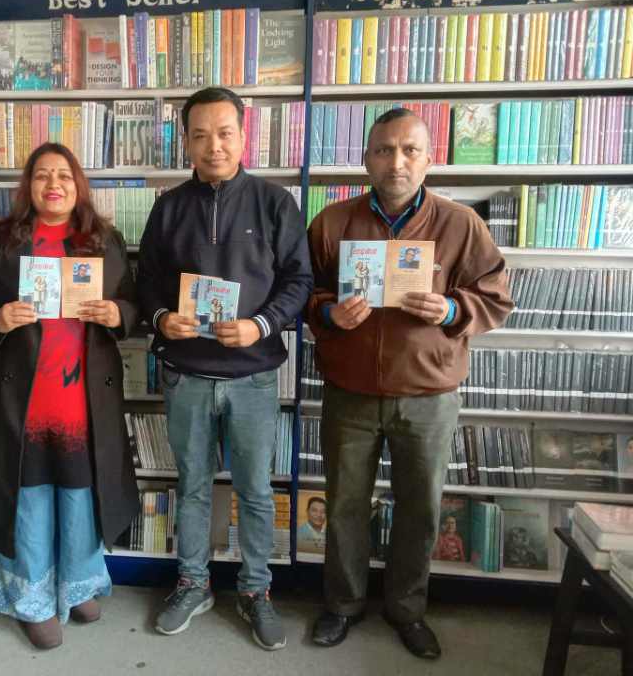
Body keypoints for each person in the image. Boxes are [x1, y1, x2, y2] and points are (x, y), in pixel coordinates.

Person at [306, 107, 513, 660]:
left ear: (428, 158)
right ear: (366, 158)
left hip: (428, 395)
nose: (396, 162)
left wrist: (451, 308)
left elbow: (496, 296)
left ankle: (407, 610)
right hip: (350, 390)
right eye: (383, 150)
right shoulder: (332, 222)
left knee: (420, 509)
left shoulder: (461, 224)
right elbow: (303, 294)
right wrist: (328, 314)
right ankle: (343, 605)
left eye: (409, 150)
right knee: (345, 505)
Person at [138, 87, 313, 651]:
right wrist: (162, 318)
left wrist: (262, 324)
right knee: (190, 486)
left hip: (253, 376)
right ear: (185, 142)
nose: (213, 145)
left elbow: (299, 280)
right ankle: (193, 583)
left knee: (255, 490)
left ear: (244, 135)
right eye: (200, 135)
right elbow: (146, 282)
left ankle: (256, 588)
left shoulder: (275, 203)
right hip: (186, 374)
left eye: (224, 133)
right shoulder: (168, 206)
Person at [0, 142, 140, 650]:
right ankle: (33, 599)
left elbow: (133, 302)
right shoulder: (1, 240)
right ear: (28, 186)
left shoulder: (104, 240)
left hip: (83, 397)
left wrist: (117, 314)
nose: (53, 184)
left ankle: (78, 583)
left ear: (77, 185)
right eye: (42, 175)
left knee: (81, 493)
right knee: (30, 497)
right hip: (21, 398)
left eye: (63, 175)